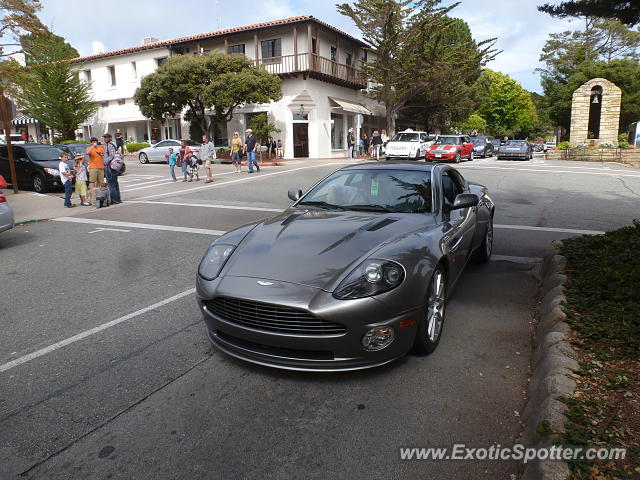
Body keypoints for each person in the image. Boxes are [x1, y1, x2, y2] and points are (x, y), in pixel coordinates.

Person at [102, 133, 122, 204]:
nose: (105, 139)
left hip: (110, 166)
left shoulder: (110, 145)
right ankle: (118, 199)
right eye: (104, 137)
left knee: (111, 184)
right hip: (114, 166)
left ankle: (114, 200)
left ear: (110, 138)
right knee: (115, 183)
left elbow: (112, 155)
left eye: (106, 137)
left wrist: (106, 161)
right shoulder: (113, 144)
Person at [86, 137, 105, 205]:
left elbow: (103, 155)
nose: (95, 143)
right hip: (93, 167)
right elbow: (87, 153)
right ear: (91, 143)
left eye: (95, 142)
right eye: (93, 142)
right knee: (92, 181)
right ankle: (92, 196)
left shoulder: (100, 148)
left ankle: (97, 195)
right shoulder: (89, 148)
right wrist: (92, 147)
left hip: (100, 167)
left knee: (100, 181)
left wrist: (101, 152)